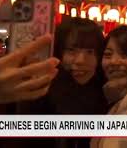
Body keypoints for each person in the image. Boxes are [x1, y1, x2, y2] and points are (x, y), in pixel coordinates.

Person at [18, 16, 108, 148]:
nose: (80, 60)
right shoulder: (40, 91)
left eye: (90, 52)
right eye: (71, 50)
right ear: (59, 52)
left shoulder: (107, 92)